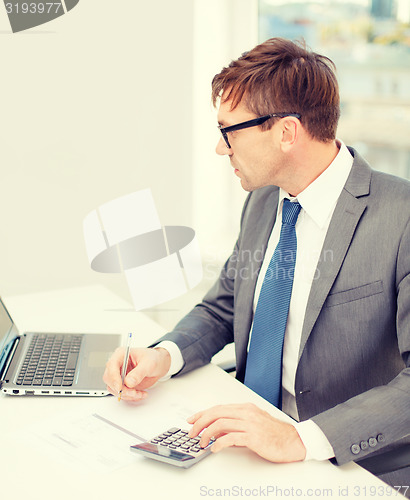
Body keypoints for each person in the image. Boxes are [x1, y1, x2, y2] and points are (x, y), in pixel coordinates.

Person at [103, 38, 410, 491]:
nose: (221, 149)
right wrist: (164, 356)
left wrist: (299, 439)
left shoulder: (400, 217)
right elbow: (225, 305)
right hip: (251, 438)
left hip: (352, 465)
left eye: (230, 131)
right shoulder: (265, 199)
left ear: (286, 132)